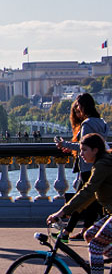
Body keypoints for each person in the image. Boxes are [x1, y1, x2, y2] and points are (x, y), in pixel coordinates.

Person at [48, 132, 112, 274]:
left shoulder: (102, 165)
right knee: (89, 235)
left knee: (95, 245)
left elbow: (88, 191)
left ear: (95, 150)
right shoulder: (102, 162)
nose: (80, 153)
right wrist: (69, 211)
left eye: (84, 150)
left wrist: (62, 212)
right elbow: (89, 197)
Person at [57, 93, 109, 239]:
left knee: (82, 198)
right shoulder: (101, 122)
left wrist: (64, 144)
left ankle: (67, 231)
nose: (77, 110)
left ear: (84, 106)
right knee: (91, 200)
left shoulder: (87, 124)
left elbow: (84, 145)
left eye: (78, 107)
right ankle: (85, 230)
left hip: (88, 167)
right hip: (96, 163)